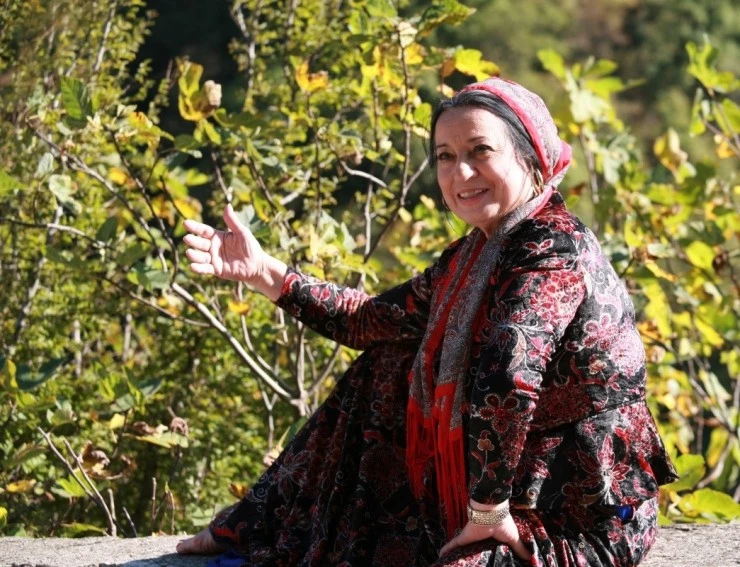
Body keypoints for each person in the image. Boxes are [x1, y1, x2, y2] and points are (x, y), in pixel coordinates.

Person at [176, 77, 678, 566]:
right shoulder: (470, 256)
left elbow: (509, 374)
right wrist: (264, 273)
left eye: (480, 151)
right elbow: (370, 320)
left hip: (575, 511)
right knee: (386, 364)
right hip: (496, 499)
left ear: (531, 158)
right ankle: (265, 521)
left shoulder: (552, 250)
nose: (461, 173)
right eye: (445, 156)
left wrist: (488, 511)